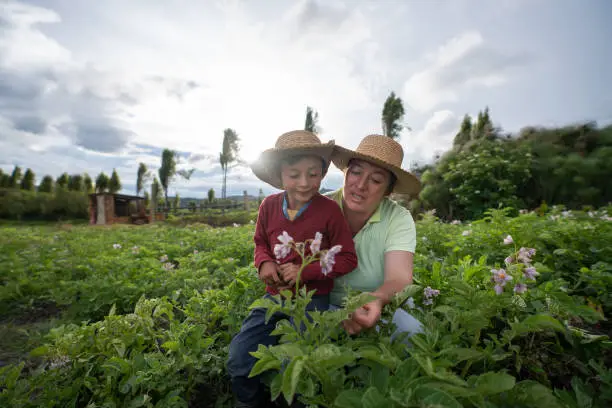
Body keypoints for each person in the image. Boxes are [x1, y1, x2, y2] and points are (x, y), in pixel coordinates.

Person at [226, 130, 358, 408]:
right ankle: (250, 402)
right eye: (294, 174)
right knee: (239, 356)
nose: (304, 183)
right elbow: (260, 241)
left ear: (323, 173)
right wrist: (264, 262)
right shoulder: (269, 206)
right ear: (280, 175)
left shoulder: (329, 211)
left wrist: (305, 272)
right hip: (274, 296)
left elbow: (347, 258)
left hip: (313, 299)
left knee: (294, 365)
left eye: (313, 174)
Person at [325, 134, 423, 337]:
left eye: (376, 180)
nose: (361, 185)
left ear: (388, 191)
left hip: (379, 304)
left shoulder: (398, 218)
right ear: (345, 173)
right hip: (323, 304)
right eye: (356, 172)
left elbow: (399, 278)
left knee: (414, 335)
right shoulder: (319, 207)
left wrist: (374, 299)